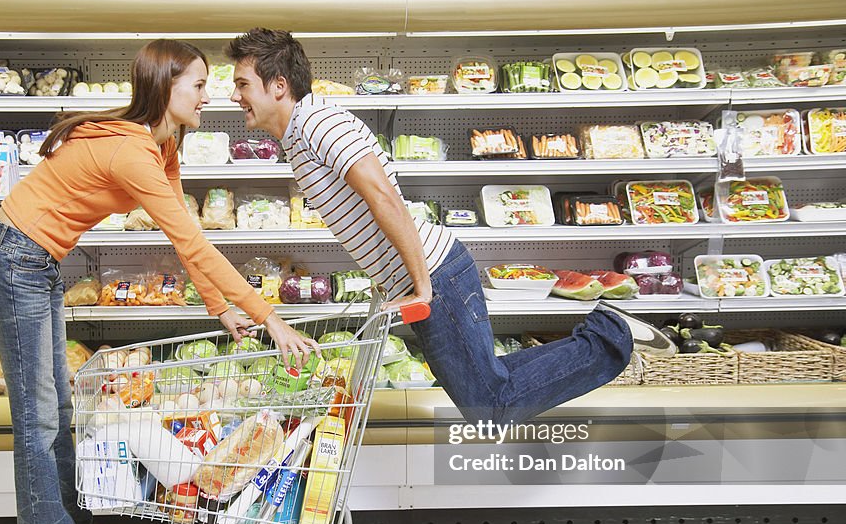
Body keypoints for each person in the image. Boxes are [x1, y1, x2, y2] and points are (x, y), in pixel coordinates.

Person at [0, 39, 318, 524]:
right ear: (167, 87)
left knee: (57, 409)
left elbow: (188, 235)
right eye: (200, 86)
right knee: (39, 417)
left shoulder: (164, 144)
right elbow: (196, 247)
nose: (213, 97)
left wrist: (217, 307)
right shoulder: (133, 151)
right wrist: (268, 317)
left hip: (35, 262)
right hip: (13, 258)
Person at [225, 28, 676, 426]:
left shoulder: (319, 122)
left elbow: (385, 200)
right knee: (489, 391)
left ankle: (611, 334)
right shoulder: (297, 138)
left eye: (242, 84)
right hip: (425, 276)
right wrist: (386, 284)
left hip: (437, 275)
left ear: (278, 85)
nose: (234, 96)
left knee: (489, 405)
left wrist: (421, 288)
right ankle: (607, 332)